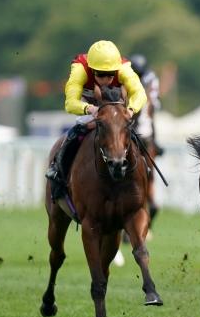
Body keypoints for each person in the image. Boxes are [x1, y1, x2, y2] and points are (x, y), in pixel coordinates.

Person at [45, 40, 147, 201]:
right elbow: (70, 103)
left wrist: (131, 109)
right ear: (91, 69)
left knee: (130, 133)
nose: (106, 80)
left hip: (116, 105)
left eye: (110, 74)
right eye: (100, 74)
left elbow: (140, 94)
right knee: (79, 130)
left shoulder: (124, 68)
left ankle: (144, 170)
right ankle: (58, 171)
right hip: (88, 105)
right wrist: (90, 109)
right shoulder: (80, 69)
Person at [129, 54, 164, 156]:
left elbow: (152, 98)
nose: (138, 76)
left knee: (149, 112)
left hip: (147, 102)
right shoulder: (127, 76)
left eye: (139, 74)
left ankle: (154, 141)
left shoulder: (151, 78)